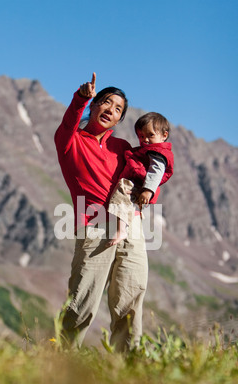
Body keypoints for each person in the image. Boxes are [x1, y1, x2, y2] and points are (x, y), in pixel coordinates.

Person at [54, 73, 148, 352]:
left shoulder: (122, 148)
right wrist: (80, 98)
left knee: (130, 299)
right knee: (83, 301)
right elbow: (70, 120)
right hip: (95, 224)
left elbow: (144, 176)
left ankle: (128, 369)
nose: (111, 110)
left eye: (118, 109)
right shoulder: (70, 140)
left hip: (131, 223)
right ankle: (60, 366)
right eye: (106, 102)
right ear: (94, 106)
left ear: (120, 120)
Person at [107, 112, 174, 246]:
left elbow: (156, 171)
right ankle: (132, 218)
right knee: (127, 200)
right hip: (140, 185)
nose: (146, 140)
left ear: (164, 135)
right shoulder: (149, 150)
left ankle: (121, 230)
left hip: (140, 185)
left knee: (122, 194)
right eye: (141, 136)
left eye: (151, 135)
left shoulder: (157, 152)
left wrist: (148, 190)